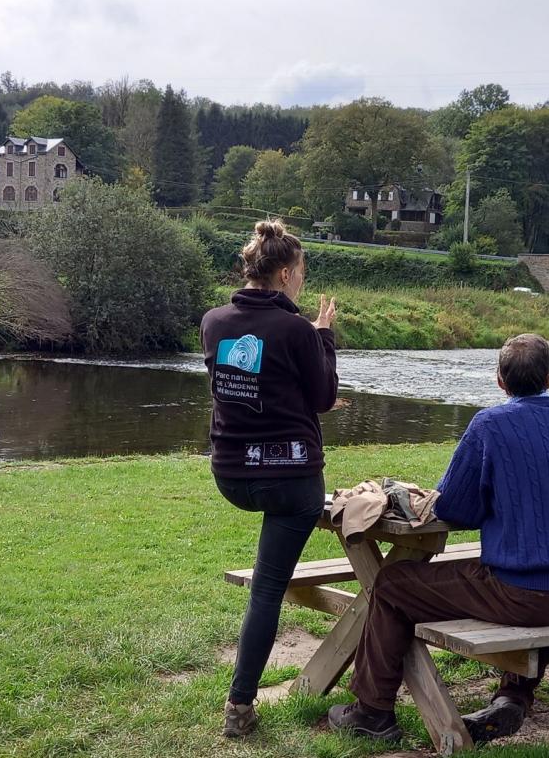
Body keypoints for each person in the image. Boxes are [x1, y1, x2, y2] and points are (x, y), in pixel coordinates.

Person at [327, 334, 549, 743]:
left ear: (499, 381)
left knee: (391, 584)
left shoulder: (490, 424)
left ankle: (372, 711)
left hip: (522, 594)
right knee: (539, 583)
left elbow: (454, 508)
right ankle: (513, 695)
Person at [200, 220, 339, 738]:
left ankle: (241, 706)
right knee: (268, 589)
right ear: (284, 274)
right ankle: (238, 707)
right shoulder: (298, 329)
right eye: (301, 273)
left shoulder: (213, 321)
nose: (302, 282)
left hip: (231, 474)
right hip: (291, 480)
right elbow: (323, 398)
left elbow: (235, 387)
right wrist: (324, 337)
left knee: (267, 585)